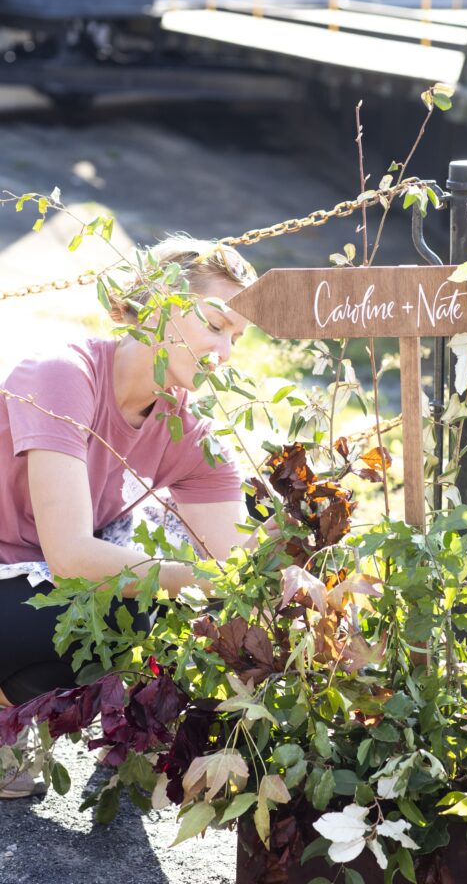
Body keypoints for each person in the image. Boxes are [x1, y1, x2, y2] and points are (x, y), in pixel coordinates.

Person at [0, 236, 267, 798]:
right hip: (17, 579)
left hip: (38, 584)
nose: (226, 352)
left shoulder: (186, 427)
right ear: (160, 304)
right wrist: (201, 581)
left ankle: (25, 709)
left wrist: (301, 565)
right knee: (112, 610)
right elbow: (73, 556)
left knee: (247, 525)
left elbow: (237, 563)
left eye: (237, 337)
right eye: (216, 325)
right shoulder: (60, 375)